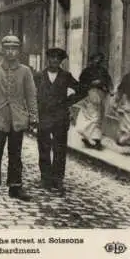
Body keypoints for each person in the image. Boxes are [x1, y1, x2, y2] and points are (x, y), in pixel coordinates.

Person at [0, 35, 38, 202]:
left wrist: (33, 116)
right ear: (2, 51)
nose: (11, 52)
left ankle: (15, 186)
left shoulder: (25, 71)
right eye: (8, 48)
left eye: (15, 48)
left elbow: (31, 95)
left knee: (16, 154)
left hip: (17, 119)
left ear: (19, 51)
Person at [33, 48, 81, 192]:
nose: (54, 61)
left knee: (59, 149)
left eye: (57, 59)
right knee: (44, 148)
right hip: (44, 116)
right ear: (47, 59)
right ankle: (45, 178)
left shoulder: (66, 76)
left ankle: (58, 179)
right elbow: (30, 93)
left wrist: (68, 102)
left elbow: (81, 89)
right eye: (52, 58)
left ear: (61, 61)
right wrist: (35, 109)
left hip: (60, 117)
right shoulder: (38, 76)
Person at [75, 53, 113, 150]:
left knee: (98, 117)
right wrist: (91, 84)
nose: (98, 61)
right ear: (91, 60)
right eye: (96, 59)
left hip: (100, 95)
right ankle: (94, 139)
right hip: (91, 95)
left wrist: (109, 89)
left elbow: (108, 81)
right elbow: (81, 84)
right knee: (94, 117)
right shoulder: (86, 71)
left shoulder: (103, 71)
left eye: (100, 60)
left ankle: (92, 138)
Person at [112, 70, 130, 153]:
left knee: (129, 127)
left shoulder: (129, 75)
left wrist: (116, 102)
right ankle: (123, 140)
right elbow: (120, 90)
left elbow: (120, 90)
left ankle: (123, 140)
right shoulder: (129, 76)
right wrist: (116, 102)